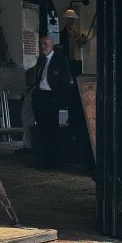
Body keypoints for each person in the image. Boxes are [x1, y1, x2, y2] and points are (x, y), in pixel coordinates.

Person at [31, 35, 71, 169]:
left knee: (51, 130)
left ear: (52, 45)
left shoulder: (61, 60)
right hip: (40, 97)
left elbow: (64, 81)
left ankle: (50, 161)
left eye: (45, 44)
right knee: (41, 130)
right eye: (41, 44)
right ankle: (42, 159)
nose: (42, 47)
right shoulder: (41, 60)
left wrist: (58, 99)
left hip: (51, 98)